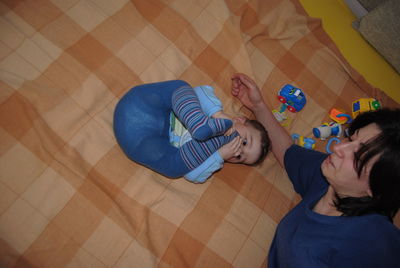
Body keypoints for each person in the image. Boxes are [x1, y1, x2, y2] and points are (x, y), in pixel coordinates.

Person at [231, 73, 400, 267]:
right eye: (350, 138)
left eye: (358, 157)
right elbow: (288, 153)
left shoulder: (362, 245)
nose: (337, 148)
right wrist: (257, 105)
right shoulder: (330, 180)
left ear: (377, 188)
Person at [113, 80, 270, 183]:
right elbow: (200, 91)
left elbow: (192, 176)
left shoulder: (211, 158)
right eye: (245, 142)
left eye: (240, 157)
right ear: (240, 120)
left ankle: (202, 129)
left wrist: (219, 155)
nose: (238, 150)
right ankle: (197, 122)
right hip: (145, 104)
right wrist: (217, 114)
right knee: (181, 88)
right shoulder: (214, 109)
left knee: (175, 169)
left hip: (138, 138)